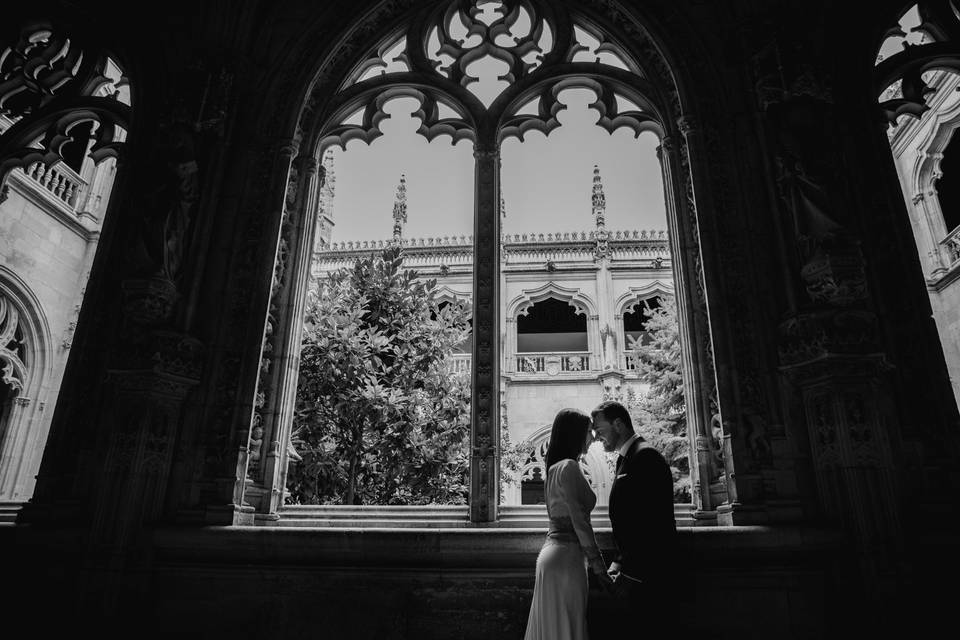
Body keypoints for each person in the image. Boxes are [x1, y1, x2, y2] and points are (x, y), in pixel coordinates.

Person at [524, 408, 612, 640]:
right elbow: (580, 520)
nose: (593, 438)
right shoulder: (569, 467)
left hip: (550, 556)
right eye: (588, 432)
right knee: (568, 626)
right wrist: (599, 566)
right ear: (575, 434)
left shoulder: (553, 468)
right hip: (566, 559)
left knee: (554, 626)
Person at [591, 399, 678, 635]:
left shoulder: (646, 457)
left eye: (600, 431)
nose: (597, 438)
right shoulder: (626, 458)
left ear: (618, 424)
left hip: (649, 576)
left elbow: (652, 523)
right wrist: (619, 562)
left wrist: (630, 574)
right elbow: (628, 522)